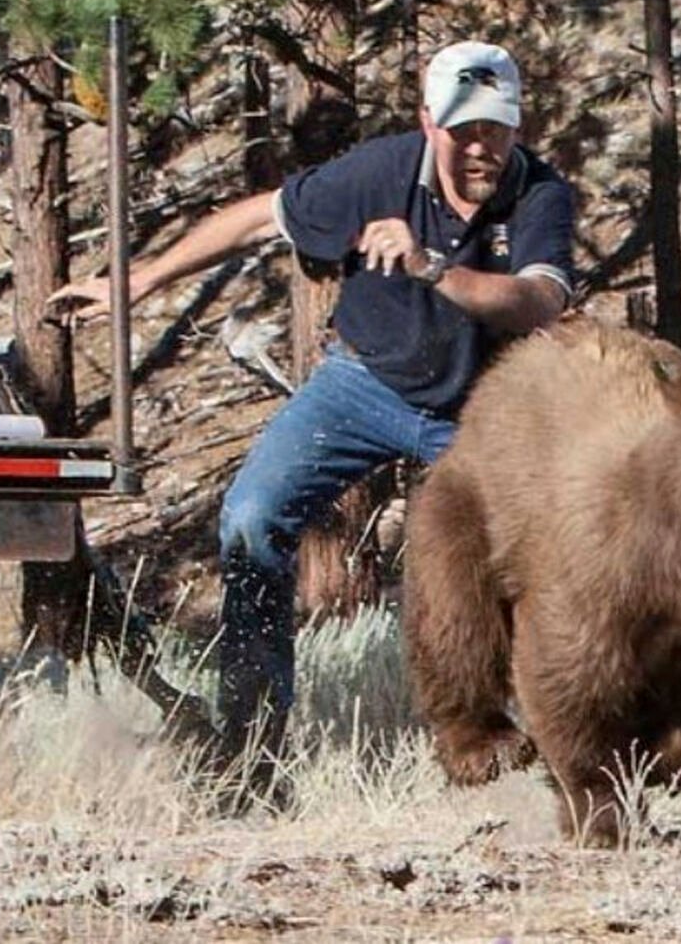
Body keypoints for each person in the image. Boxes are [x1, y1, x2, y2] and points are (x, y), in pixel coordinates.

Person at [48, 40, 578, 765]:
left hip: (483, 409)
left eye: (496, 128)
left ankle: (536, 740)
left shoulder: (540, 193)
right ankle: (250, 739)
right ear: (430, 124)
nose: (480, 148)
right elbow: (259, 216)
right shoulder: (380, 172)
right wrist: (140, 279)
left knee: (542, 557)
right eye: (463, 131)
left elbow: (536, 300)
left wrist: (431, 267)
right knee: (251, 517)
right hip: (361, 384)